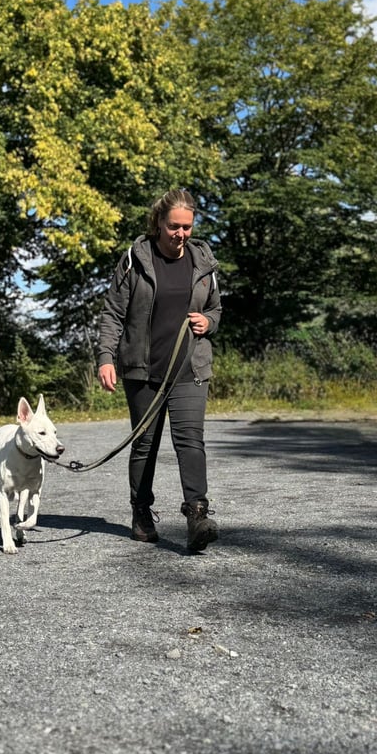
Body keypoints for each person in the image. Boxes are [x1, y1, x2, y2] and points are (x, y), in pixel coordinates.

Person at [96, 188, 222, 551]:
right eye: (174, 227)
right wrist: (106, 357)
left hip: (190, 370)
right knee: (145, 445)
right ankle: (141, 513)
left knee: (190, 440)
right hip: (143, 371)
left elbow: (215, 308)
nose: (181, 234)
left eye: (187, 227)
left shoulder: (203, 261)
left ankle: (197, 515)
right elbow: (113, 313)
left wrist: (208, 322)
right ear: (159, 223)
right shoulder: (135, 260)